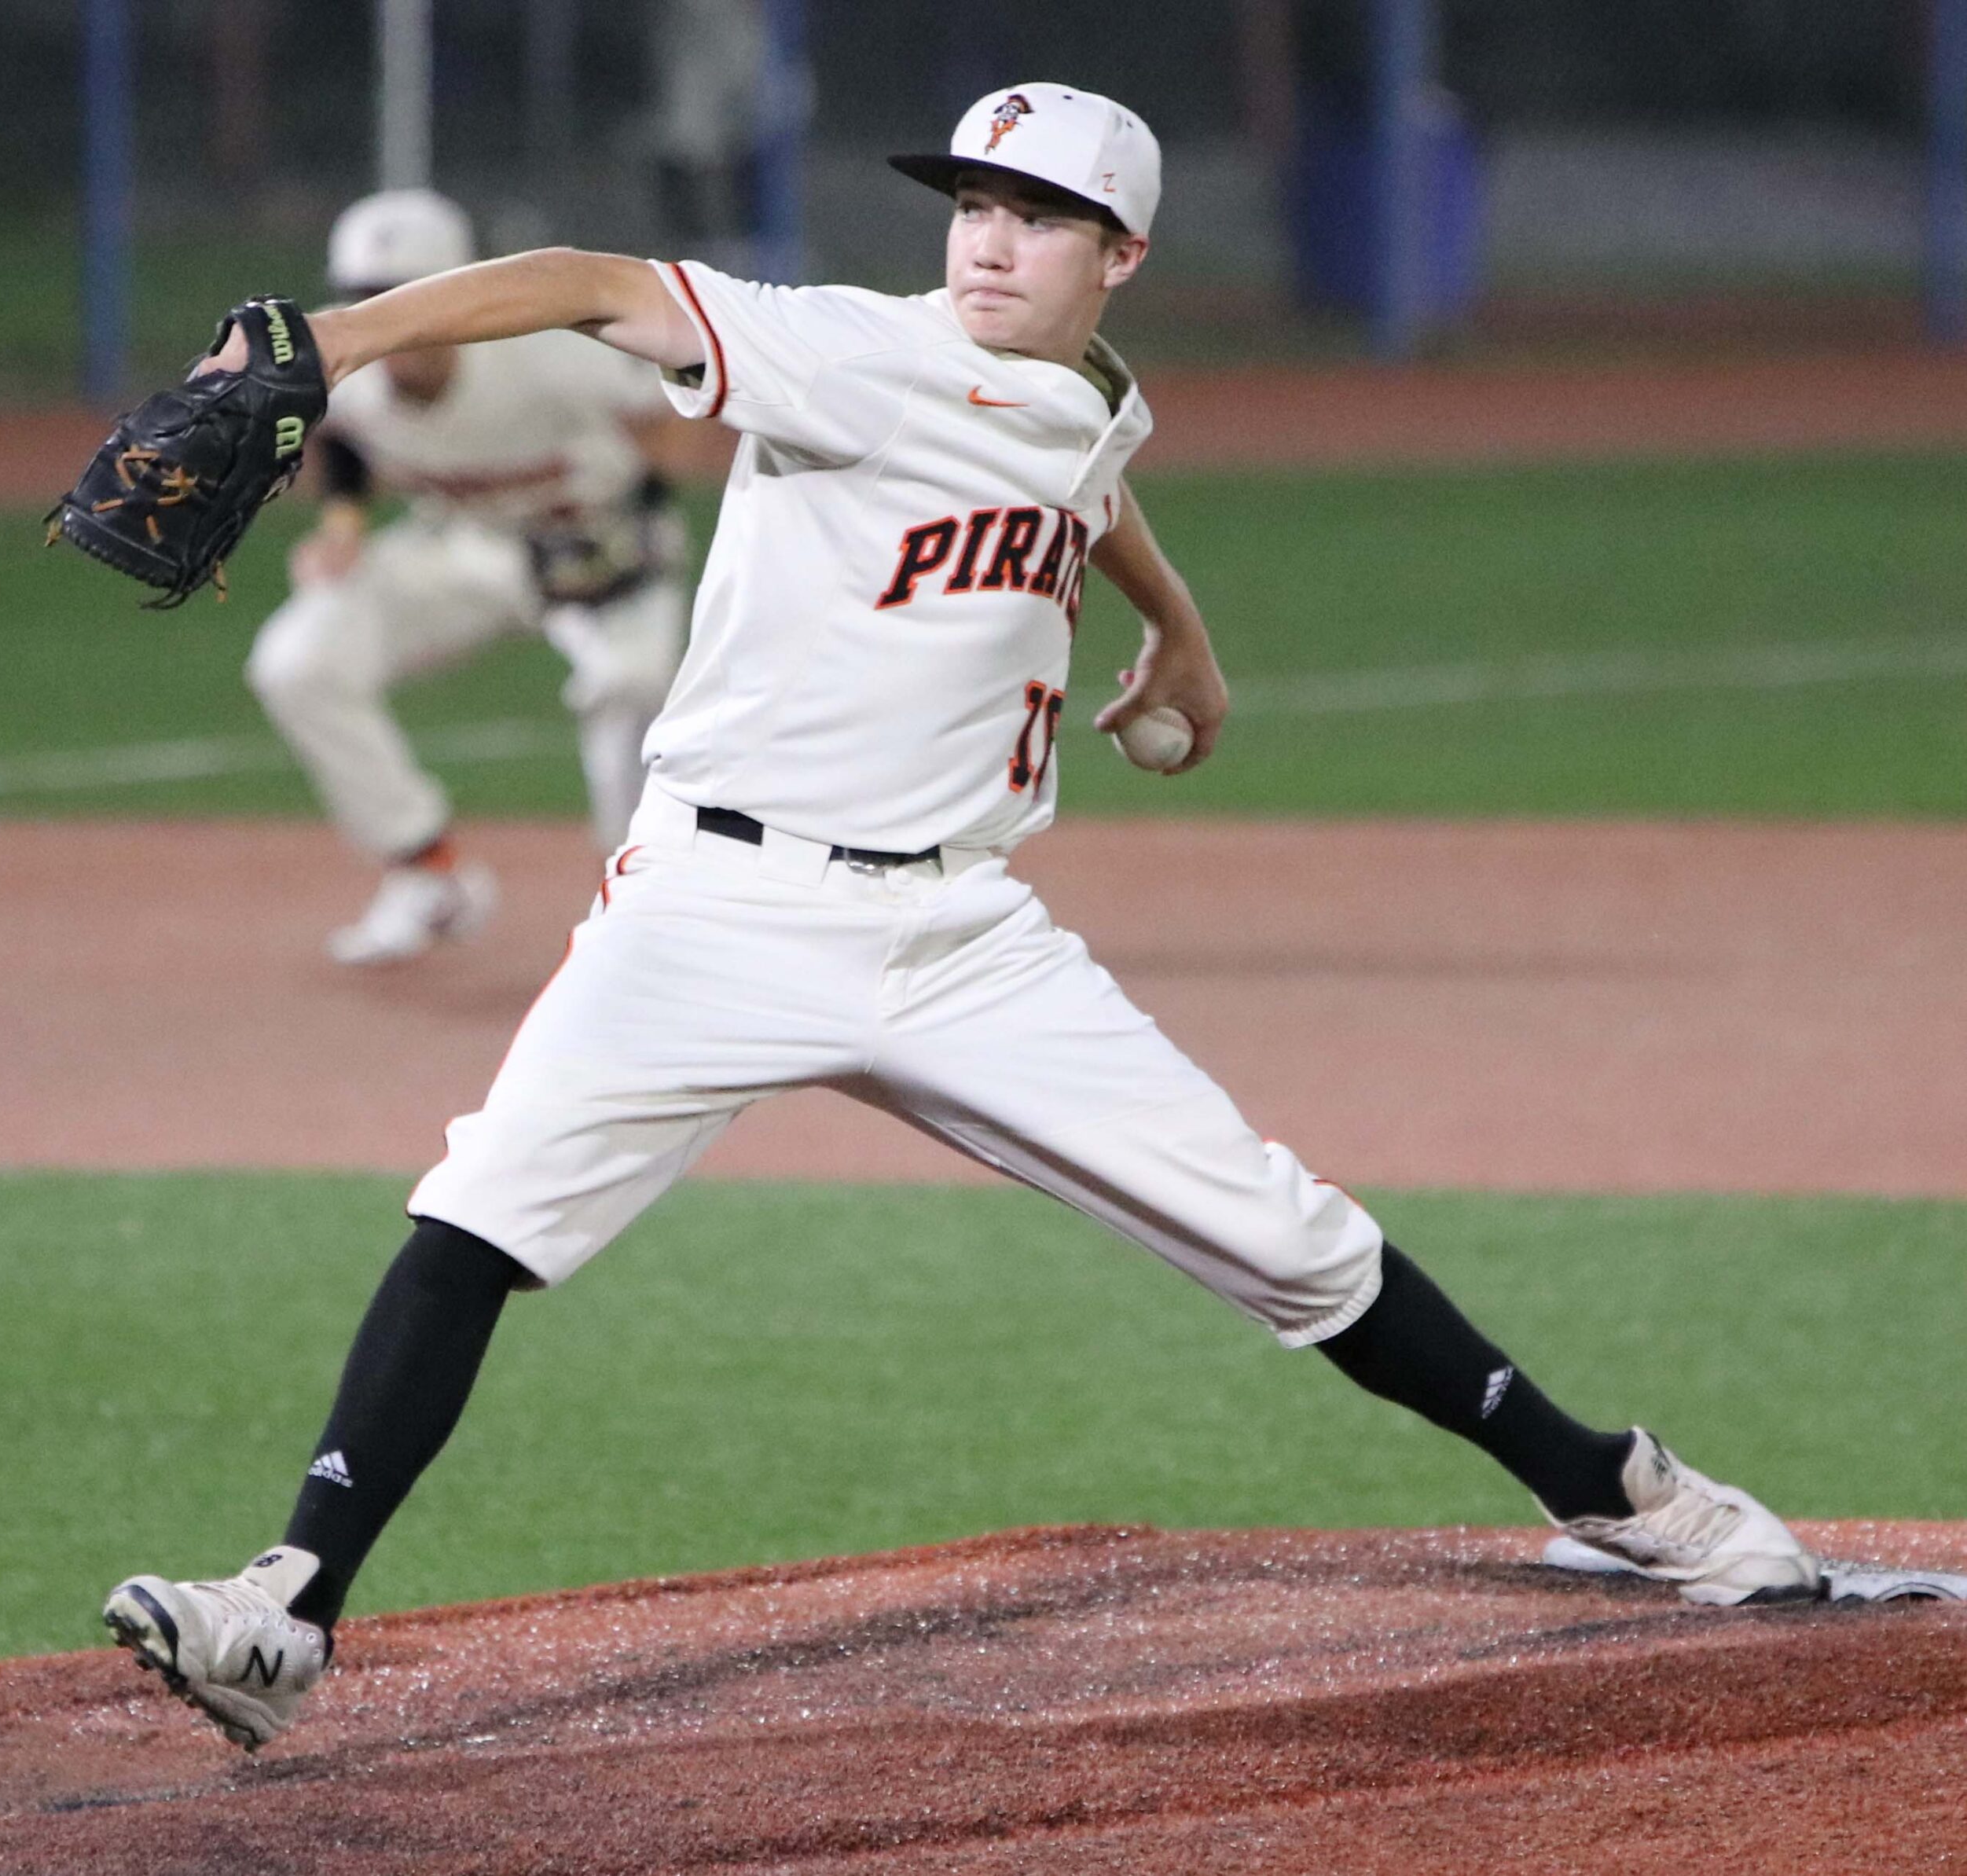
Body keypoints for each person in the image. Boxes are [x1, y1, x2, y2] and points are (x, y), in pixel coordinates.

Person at [104, 84, 1820, 1752]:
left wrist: (1178, 626)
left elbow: (1084, 469)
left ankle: (1611, 1485)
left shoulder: (1087, 394)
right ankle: (287, 1606)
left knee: (1288, 1237)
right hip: (712, 904)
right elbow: (590, 282)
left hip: (962, 938)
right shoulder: (850, 349)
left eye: (1040, 219)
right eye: (975, 208)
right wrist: (333, 340)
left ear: (1121, 256)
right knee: (479, 1211)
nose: (990, 244)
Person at [247, 188, 692, 965]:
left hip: (602, 547)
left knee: (630, 686)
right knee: (299, 660)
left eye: (406, 291)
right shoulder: (341, 360)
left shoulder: (548, 353)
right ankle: (428, 872)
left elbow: (671, 416)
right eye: (365, 294)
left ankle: (639, 911)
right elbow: (342, 437)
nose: (387, 311)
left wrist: (647, 508)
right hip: (467, 547)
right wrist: (342, 526)